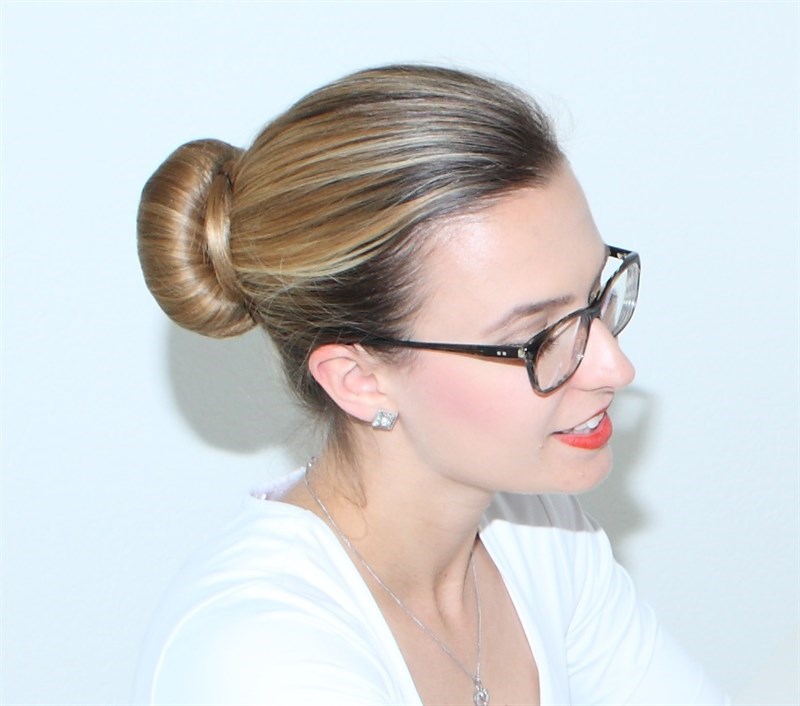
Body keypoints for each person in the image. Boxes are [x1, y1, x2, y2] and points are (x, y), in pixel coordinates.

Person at [133, 65, 728, 706]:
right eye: (538, 336)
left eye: (594, 297)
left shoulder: (540, 533)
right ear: (360, 380)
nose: (614, 368)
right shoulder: (262, 662)